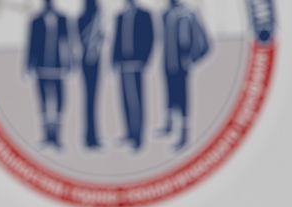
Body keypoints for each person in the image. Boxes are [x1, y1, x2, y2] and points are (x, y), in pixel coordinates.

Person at [158, 0, 210, 150]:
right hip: (168, 65)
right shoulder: (166, 14)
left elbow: (205, 43)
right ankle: (168, 128)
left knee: (183, 101)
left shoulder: (189, 14)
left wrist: (192, 59)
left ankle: (184, 137)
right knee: (170, 97)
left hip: (182, 66)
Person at [26, 0, 72, 148]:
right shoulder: (36, 21)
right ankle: (46, 136)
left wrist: (69, 64)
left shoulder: (62, 20)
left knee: (59, 103)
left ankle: (56, 137)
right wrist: (28, 65)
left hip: (58, 69)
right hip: (40, 68)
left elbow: (67, 42)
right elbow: (31, 44)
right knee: (43, 103)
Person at [112, 0, 154, 150]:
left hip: (136, 64)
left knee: (136, 101)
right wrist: (113, 60)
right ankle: (129, 133)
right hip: (123, 65)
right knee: (125, 100)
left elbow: (150, 37)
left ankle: (138, 137)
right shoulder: (120, 16)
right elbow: (116, 39)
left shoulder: (144, 15)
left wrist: (144, 60)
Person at [77, 0, 104, 149]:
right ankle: (90, 137)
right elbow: (83, 40)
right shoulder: (87, 20)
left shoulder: (90, 19)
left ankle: (91, 135)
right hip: (89, 62)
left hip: (94, 62)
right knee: (90, 100)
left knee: (92, 100)